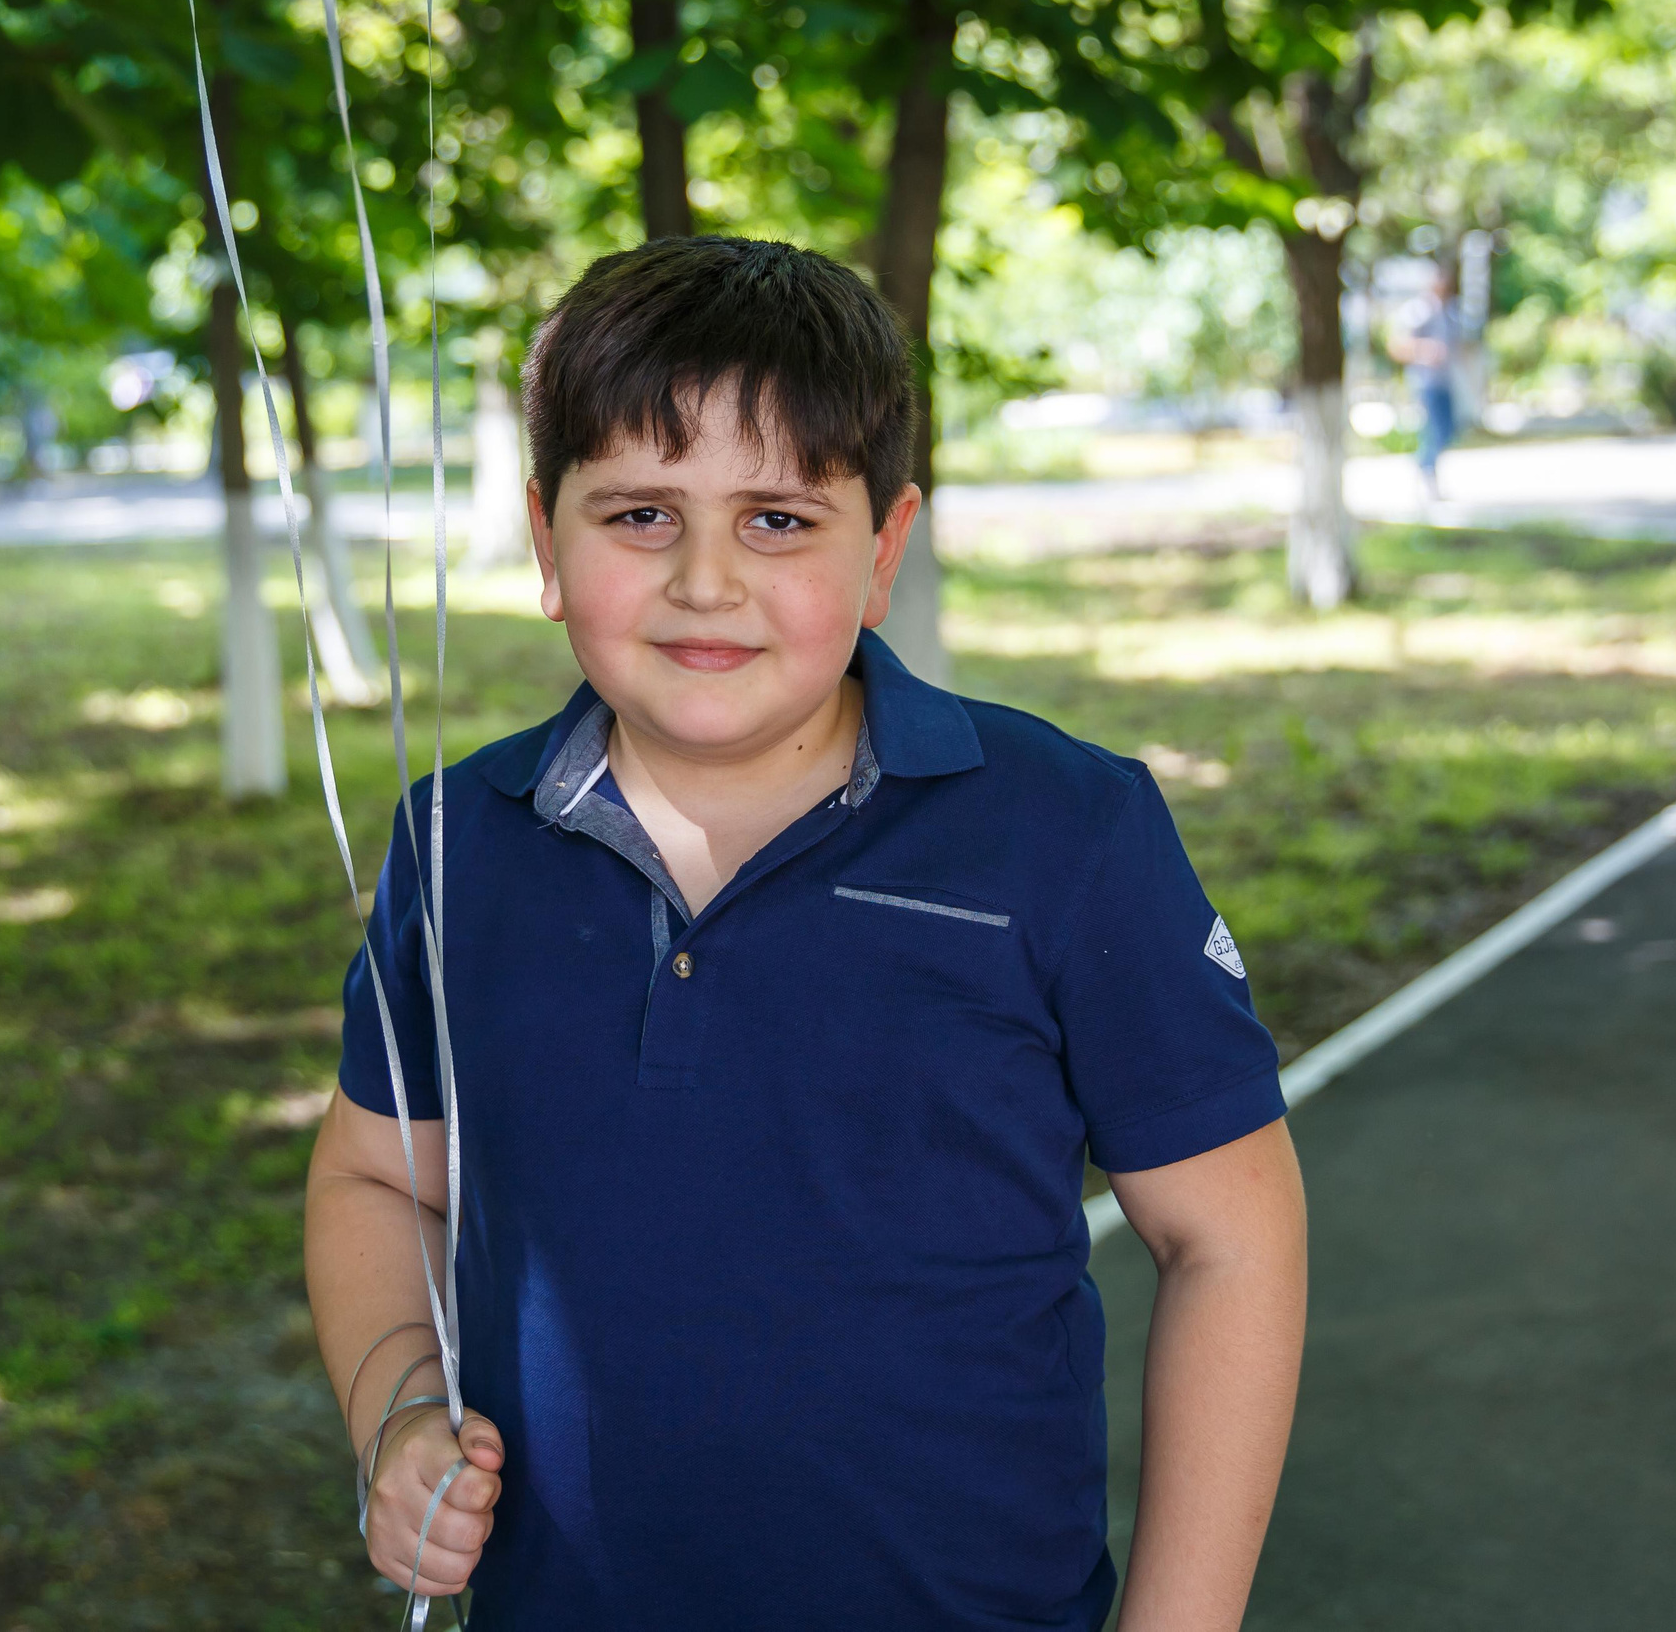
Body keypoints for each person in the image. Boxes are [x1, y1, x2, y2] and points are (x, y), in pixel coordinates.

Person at [304, 237, 1307, 1632]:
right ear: (545, 543)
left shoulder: (1066, 832)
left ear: (885, 548)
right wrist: (398, 1407)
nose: (706, 579)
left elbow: (1233, 1240)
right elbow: (372, 1175)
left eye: (777, 519)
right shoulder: (459, 842)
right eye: (640, 515)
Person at [1389, 266, 1463, 511]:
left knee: (1449, 430)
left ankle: (1428, 471)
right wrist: (1425, 350)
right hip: (1425, 382)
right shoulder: (1417, 311)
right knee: (1432, 432)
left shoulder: (1449, 310)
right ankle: (1426, 477)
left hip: (1445, 381)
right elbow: (1396, 344)